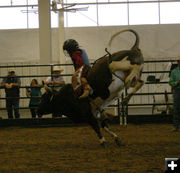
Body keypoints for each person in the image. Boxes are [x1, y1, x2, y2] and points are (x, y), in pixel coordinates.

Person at [169, 55, 180, 132]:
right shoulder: (174, 71)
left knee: (176, 108)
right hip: (177, 90)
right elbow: (171, 82)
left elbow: (171, 82)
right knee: (176, 109)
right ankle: (176, 126)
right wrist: (177, 82)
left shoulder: (174, 71)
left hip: (177, 91)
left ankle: (176, 126)